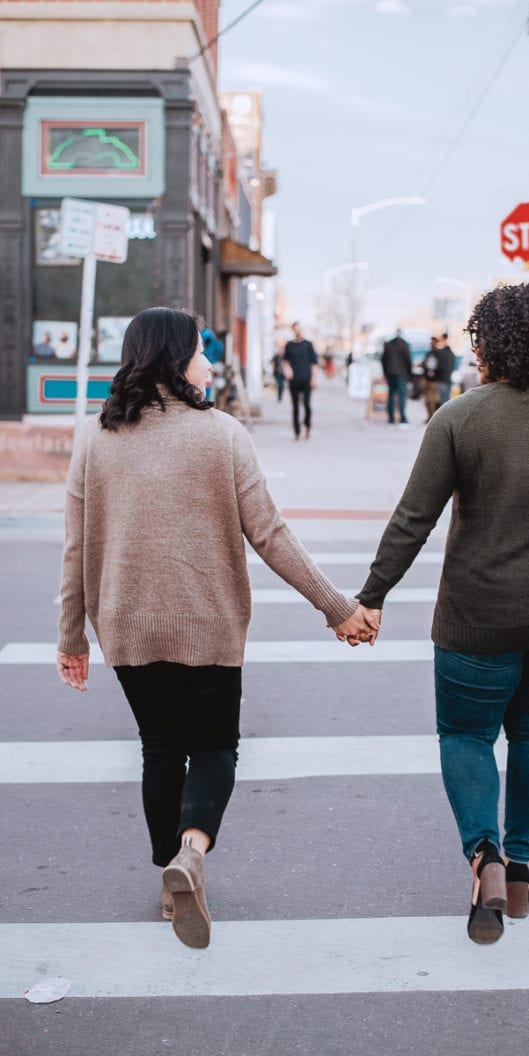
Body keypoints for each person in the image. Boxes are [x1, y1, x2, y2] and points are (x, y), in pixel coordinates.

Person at [56, 306, 378, 950]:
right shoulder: (223, 434)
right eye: (201, 351)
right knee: (213, 748)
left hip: (125, 622)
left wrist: (71, 637)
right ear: (176, 359)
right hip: (210, 619)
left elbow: (76, 548)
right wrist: (336, 605)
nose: (210, 362)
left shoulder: (96, 436)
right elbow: (270, 534)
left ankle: (169, 884)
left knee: (158, 748)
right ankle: (193, 851)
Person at [355, 284, 529, 945]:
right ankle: (521, 873)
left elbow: (412, 520)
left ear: (490, 343)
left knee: (466, 735)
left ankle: (484, 858)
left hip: (476, 617)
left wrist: (370, 597)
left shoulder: (460, 417)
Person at [284, 322, 318, 440]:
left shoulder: (308, 345)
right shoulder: (289, 345)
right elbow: (286, 361)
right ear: (293, 330)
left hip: (307, 379)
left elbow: (314, 364)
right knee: (295, 407)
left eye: (299, 328)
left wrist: (314, 378)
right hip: (294, 380)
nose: (297, 331)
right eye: (295, 329)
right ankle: (297, 432)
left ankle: (308, 426)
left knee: (307, 405)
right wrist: (287, 370)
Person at [381, 329, 412, 427]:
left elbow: (383, 360)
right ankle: (402, 419)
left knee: (391, 397)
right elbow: (408, 361)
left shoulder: (388, 344)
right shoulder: (404, 345)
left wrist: (386, 372)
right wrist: (409, 375)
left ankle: (391, 419)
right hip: (402, 375)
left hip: (390, 374)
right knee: (401, 397)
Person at [421, 337, 441, 422]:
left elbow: (440, 366)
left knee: (432, 400)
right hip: (426, 380)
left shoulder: (439, 354)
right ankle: (429, 416)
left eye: (433, 342)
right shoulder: (428, 353)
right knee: (427, 401)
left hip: (434, 381)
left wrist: (434, 372)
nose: (431, 344)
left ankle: (432, 417)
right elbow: (425, 363)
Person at [435, 333, 456, 406]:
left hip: (442, 379)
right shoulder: (451, 354)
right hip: (448, 378)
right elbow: (453, 366)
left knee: (443, 402)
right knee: (447, 400)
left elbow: (439, 367)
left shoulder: (442, 353)